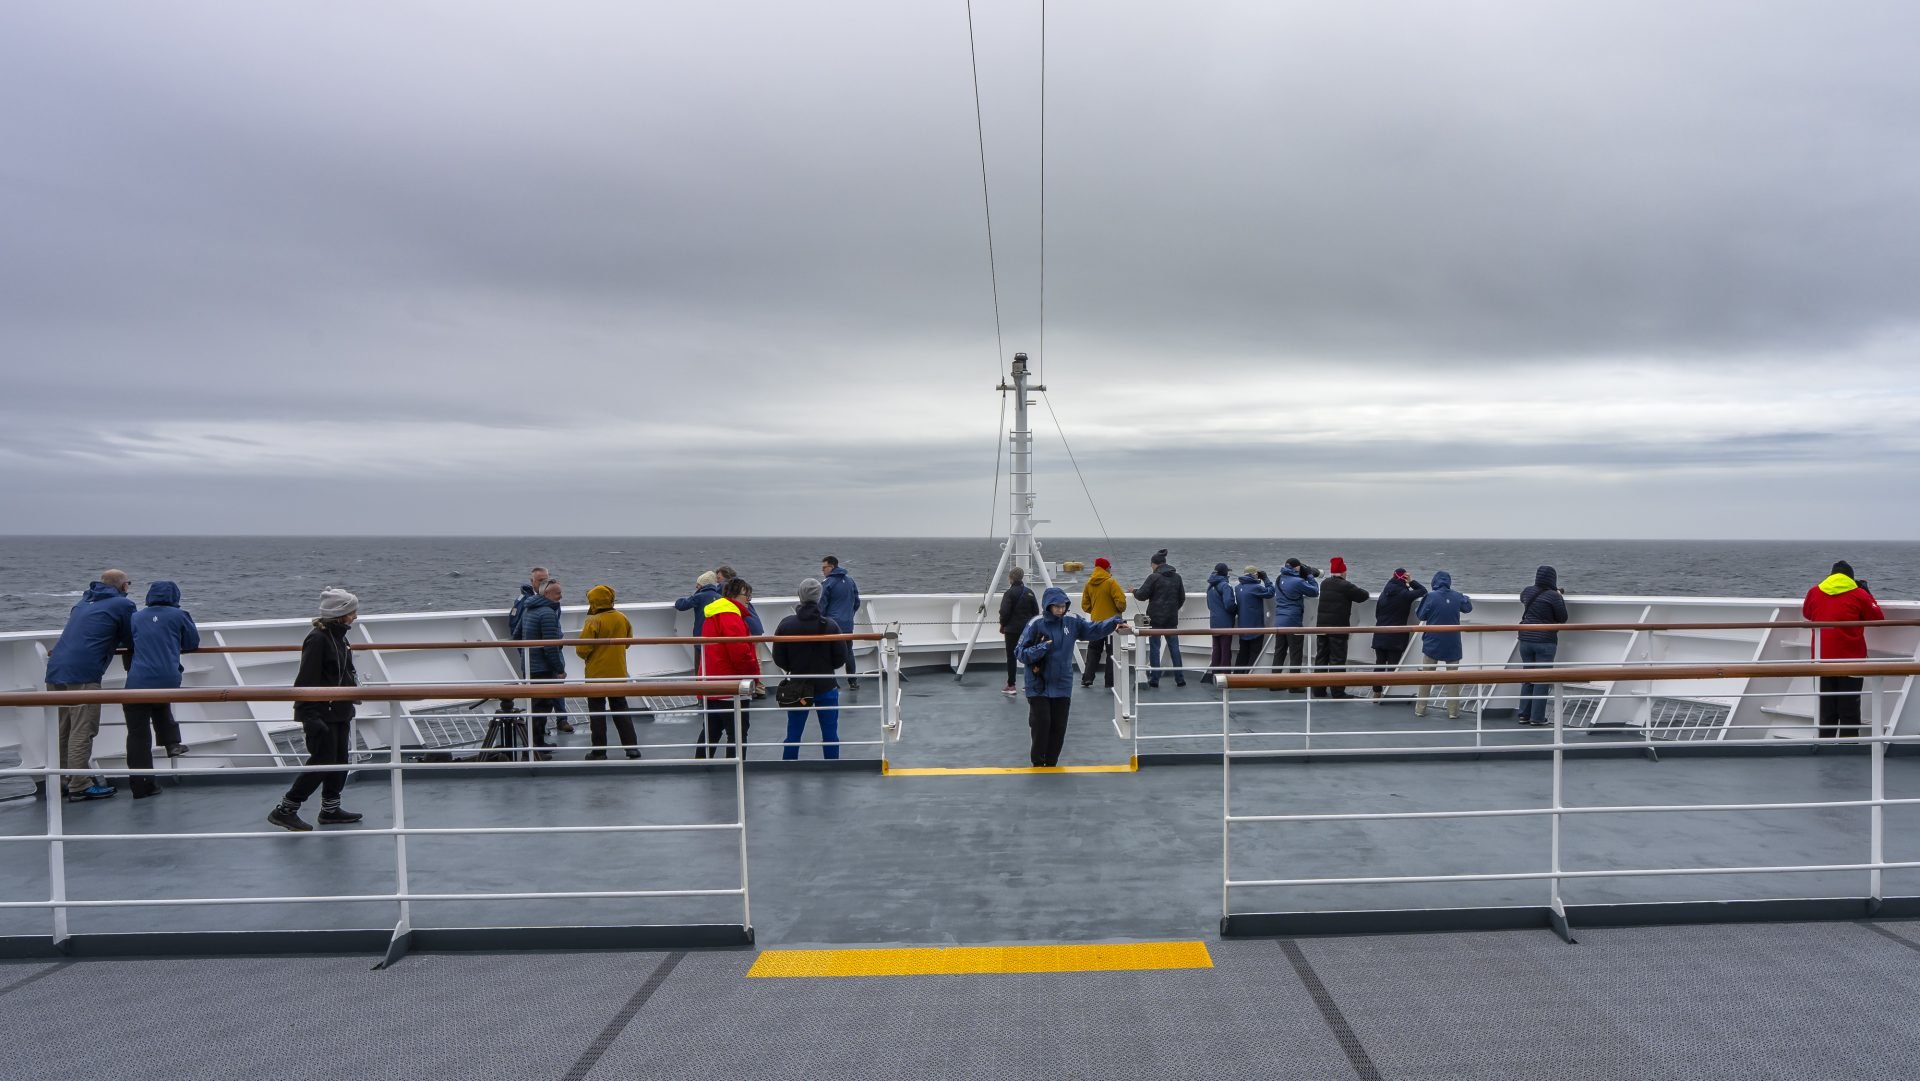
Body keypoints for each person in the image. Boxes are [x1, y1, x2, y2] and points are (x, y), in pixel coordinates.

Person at [267, 589, 365, 831]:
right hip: (321, 713)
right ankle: (285, 809)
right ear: (341, 613)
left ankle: (330, 809)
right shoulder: (318, 639)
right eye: (352, 611)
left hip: (339, 710)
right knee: (322, 761)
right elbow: (306, 680)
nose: (355, 616)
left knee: (340, 760)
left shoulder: (340, 637)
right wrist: (309, 715)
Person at [43, 569, 136, 802]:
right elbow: (132, 637)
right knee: (83, 729)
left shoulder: (82, 603)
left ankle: (62, 780)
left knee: (63, 729)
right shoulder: (123, 605)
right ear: (123, 586)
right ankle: (80, 784)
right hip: (83, 673)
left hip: (56, 669)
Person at [1015, 587, 1128, 767]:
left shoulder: (1072, 621)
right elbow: (1020, 652)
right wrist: (1042, 648)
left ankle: (1051, 763)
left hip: (1062, 684)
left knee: (1058, 727)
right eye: (1057, 607)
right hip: (1038, 684)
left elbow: (1093, 629)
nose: (1061, 610)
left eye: (1063, 606)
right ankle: (1038, 762)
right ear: (1048, 606)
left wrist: (1115, 622)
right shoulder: (1036, 624)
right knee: (1041, 724)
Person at [123, 581, 199, 798]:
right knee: (159, 703)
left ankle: (142, 785)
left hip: (137, 681)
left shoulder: (136, 617)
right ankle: (172, 742)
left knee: (137, 735)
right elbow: (192, 642)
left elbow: (130, 641)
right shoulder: (179, 615)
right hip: (167, 678)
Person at [1802, 560, 1886, 739]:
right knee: (1849, 710)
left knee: (1826, 711)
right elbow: (1877, 617)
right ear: (1851, 578)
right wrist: (1867, 593)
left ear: (1830, 576)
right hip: (1851, 660)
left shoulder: (1814, 592)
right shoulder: (1859, 594)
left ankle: (1825, 746)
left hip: (1821, 660)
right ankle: (1848, 747)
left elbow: (1807, 613)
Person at [772, 578, 851, 760]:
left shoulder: (786, 625)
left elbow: (779, 657)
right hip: (826, 685)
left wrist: (793, 667)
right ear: (819, 597)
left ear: (800, 595)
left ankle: (789, 764)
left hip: (798, 687)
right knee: (830, 734)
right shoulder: (830, 625)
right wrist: (827, 667)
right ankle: (832, 765)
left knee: (793, 733)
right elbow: (841, 657)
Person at [698, 578, 761, 758]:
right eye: (746, 595)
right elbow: (739, 653)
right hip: (731, 685)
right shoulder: (730, 616)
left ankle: (700, 765)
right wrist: (754, 677)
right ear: (734, 595)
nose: (748, 600)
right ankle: (734, 768)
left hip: (712, 683)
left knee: (711, 731)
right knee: (737, 734)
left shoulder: (714, 614)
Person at [576, 585, 640, 760]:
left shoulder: (593, 621)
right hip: (618, 672)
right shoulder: (622, 617)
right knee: (621, 709)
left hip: (596, 675)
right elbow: (628, 642)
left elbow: (582, 649)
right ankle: (632, 748)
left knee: (597, 713)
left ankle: (599, 751)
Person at [1413, 571, 1474, 720]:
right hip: (1452, 643)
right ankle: (1453, 712)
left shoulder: (1430, 596)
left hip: (1432, 642)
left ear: (1434, 582)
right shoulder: (1457, 596)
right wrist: (1465, 598)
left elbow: (1420, 615)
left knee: (1426, 677)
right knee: (1452, 679)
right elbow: (1468, 608)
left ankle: (1420, 709)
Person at [1514, 566, 1570, 726]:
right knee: (1542, 679)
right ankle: (1537, 718)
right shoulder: (1554, 596)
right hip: (1545, 640)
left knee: (1528, 677)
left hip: (1525, 639)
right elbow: (1562, 617)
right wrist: (1558, 596)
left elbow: (1524, 598)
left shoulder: (1527, 591)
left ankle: (1523, 715)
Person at [521, 578, 571, 755]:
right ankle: (533, 748)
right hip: (542, 669)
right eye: (558, 593)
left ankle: (537, 744)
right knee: (541, 707)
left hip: (531, 665)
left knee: (536, 708)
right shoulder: (547, 613)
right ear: (547, 594)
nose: (561, 596)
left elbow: (519, 634)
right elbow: (551, 646)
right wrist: (559, 669)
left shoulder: (529, 609)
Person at [1311, 557, 1370, 699]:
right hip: (1338, 628)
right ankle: (1337, 692)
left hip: (1322, 628)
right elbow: (1363, 596)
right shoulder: (1345, 586)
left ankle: (1318, 690)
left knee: (1321, 658)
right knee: (1337, 660)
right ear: (1343, 572)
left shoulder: (1324, 583)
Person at [1369, 569, 1427, 701]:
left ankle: (1377, 692)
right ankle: (1389, 694)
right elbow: (1423, 591)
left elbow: (1377, 614)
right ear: (1404, 579)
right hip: (1396, 636)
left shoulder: (1384, 593)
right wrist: (1411, 581)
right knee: (1393, 665)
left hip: (1380, 632)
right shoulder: (1405, 594)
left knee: (1379, 663)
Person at [1133, 549, 1188, 689]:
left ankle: (1155, 679)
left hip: (1155, 619)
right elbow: (1182, 598)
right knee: (1174, 648)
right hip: (1171, 619)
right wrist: (1173, 609)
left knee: (1155, 648)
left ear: (1154, 564)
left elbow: (1142, 595)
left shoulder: (1154, 577)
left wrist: (1133, 591)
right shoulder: (1177, 577)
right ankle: (1180, 679)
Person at [500, 566, 548, 710]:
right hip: (534, 656)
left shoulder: (550, 599)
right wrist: (525, 652)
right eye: (540, 580)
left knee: (553, 691)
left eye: (546, 580)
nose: (544, 584)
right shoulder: (524, 601)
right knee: (539, 696)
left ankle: (561, 718)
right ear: (532, 581)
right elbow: (516, 627)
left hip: (548, 653)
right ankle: (538, 723)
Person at [1079, 557, 1128, 689]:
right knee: (1111, 652)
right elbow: (1121, 603)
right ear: (1106, 568)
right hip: (1111, 624)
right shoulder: (1111, 582)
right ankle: (1110, 682)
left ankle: (1087, 678)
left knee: (1093, 650)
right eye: (1109, 567)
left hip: (1095, 623)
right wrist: (1117, 610)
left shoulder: (1089, 583)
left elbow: (1085, 606)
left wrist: (1095, 611)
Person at [1271, 559, 1322, 683]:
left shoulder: (1279, 578)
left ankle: (1274, 682)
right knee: (1295, 653)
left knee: (1279, 652)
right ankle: (1295, 684)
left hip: (1280, 621)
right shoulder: (1297, 582)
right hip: (1293, 621)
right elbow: (1315, 592)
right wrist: (1309, 575)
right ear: (1297, 567)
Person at [819, 556, 862, 688]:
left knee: (828, 652)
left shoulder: (828, 583)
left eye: (824, 568)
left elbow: (822, 605)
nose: (822, 571)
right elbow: (857, 602)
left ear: (831, 567)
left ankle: (833, 682)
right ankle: (853, 681)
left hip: (831, 625)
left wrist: (820, 620)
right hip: (847, 624)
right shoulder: (850, 581)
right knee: (848, 652)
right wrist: (849, 615)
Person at [997, 566, 1041, 696]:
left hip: (1011, 630)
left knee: (1011, 656)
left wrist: (1002, 624)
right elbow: (1036, 612)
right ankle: (1029, 683)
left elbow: (1004, 612)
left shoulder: (1009, 593)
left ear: (1011, 578)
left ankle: (1011, 685)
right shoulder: (1029, 592)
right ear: (1022, 577)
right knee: (1029, 655)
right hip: (1027, 630)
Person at [1232, 567, 1275, 673]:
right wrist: (1265, 578)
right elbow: (1270, 592)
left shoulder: (1238, 587)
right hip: (1255, 626)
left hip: (1242, 626)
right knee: (1254, 653)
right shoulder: (1256, 588)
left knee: (1243, 653)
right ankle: (1249, 675)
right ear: (1254, 575)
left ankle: (1237, 675)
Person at [1204, 563, 1238, 683]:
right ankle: (1225, 677)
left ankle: (1214, 674)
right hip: (1225, 622)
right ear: (1225, 573)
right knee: (1225, 650)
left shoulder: (1210, 586)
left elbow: (1209, 605)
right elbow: (1229, 605)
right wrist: (1236, 609)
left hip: (1214, 621)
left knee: (1216, 649)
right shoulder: (1225, 586)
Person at [714, 565, 765, 635]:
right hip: (756, 627)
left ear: (727, 576)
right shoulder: (742, 586)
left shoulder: (726, 586)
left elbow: (715, 594)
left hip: (748, 628)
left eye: (719, 578)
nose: (717, 581)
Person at [675, 571, 723, 636]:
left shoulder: (699, 597)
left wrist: (696, 594)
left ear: (703, 585)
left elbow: (681, 606)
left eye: (698, 584)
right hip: (716, 634)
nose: (696, 586)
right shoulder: (720, 597)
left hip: (701, 633)